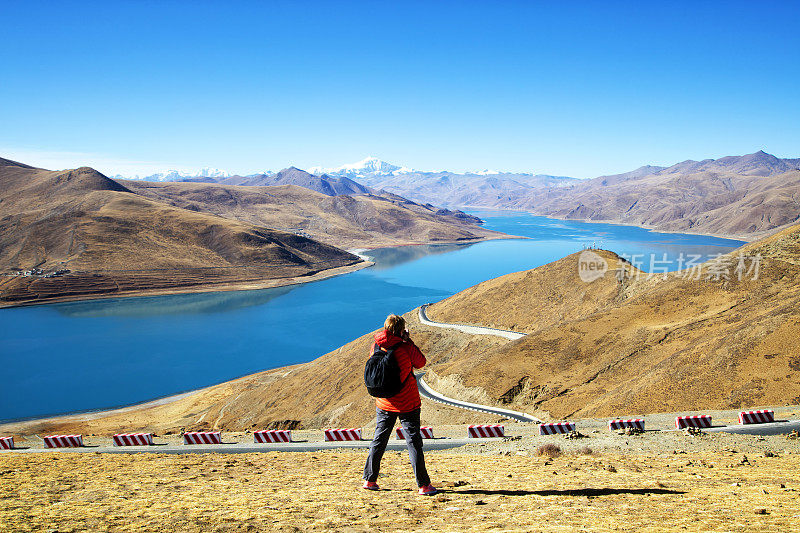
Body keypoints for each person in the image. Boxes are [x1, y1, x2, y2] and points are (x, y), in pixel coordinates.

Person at [363, 314, 438, 496]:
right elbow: (421, 363)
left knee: (379, 440)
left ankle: (370, 480)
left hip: (384, 403)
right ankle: (423, 485)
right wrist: (409, 341)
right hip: (407, 403)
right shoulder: (405, 348)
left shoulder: (375, 346)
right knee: (413, 443)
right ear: (401, 329)